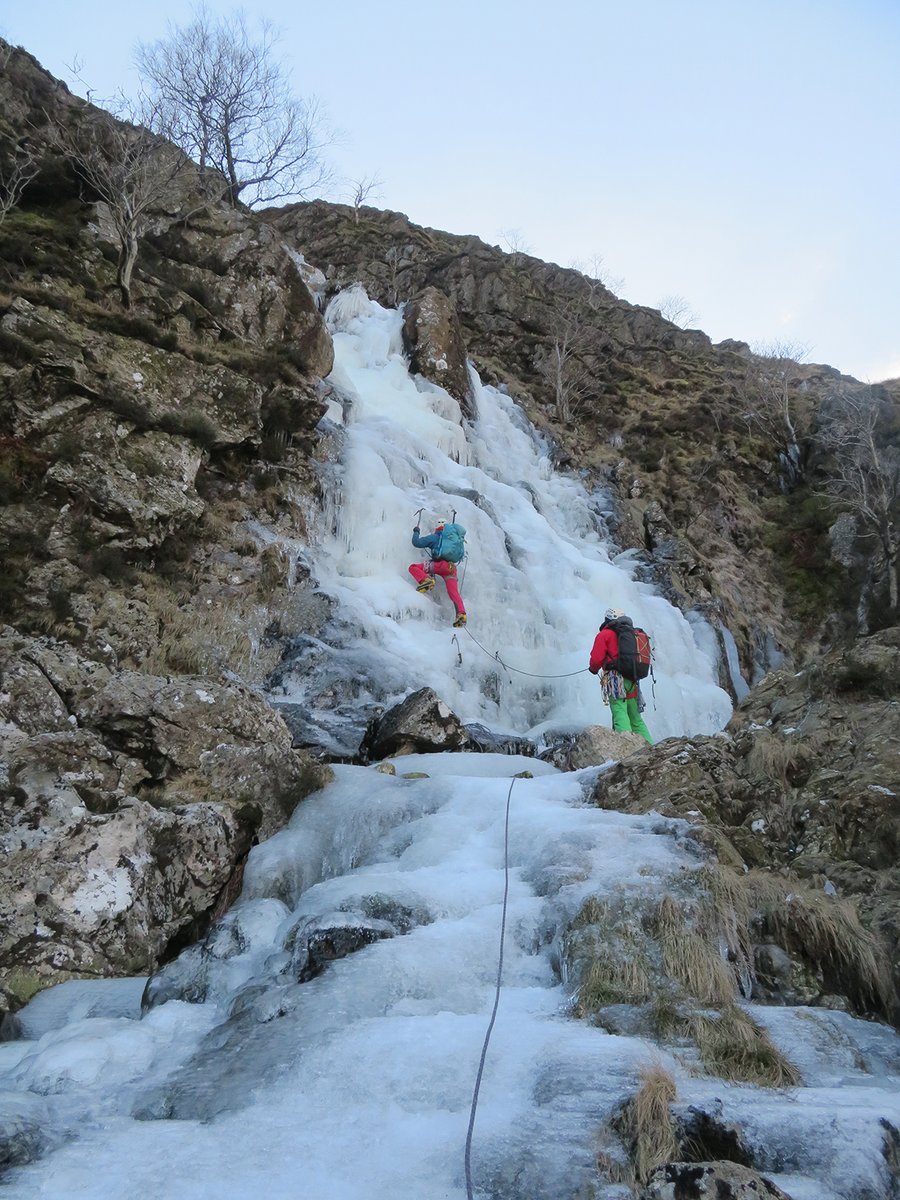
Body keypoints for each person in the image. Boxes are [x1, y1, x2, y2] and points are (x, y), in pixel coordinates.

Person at [588, 607, 653, 744]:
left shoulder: (605, 634)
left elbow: (596, 659)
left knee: (619, 713)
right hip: (632, 679)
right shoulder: (633, 633)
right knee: (635, 719)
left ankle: (626, 748)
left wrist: (593, 669)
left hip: (616, 679)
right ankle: (652, 749)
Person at [409, 518, 467, 627]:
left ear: (438, 527)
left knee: (413, 567)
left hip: (439, 566)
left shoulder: (436, 537)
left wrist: (416, 531)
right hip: (451, 568)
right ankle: (461, 614)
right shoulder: (455, 539)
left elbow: (416, 543)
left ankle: (427, 580)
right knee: (454, 593)